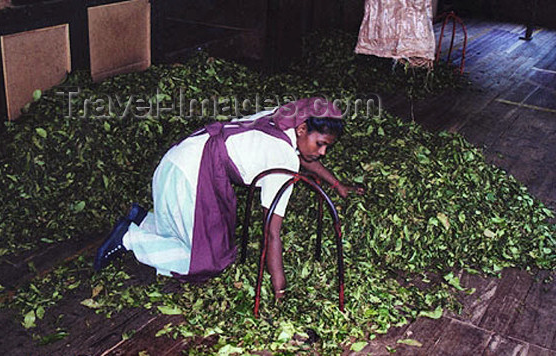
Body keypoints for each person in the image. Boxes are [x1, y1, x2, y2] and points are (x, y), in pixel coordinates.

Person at [94, 97, 363, 301]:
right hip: (190, 171)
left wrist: (337, 185)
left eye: (328, 146)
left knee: (215, 246)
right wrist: (280, 292)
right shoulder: (282, 158)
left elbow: (306, 156)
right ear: (303, 129)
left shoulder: (285, 118)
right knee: (204, 263)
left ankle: (141, 219)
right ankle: (129, 238)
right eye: (322, 144)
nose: (324, 152)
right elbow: (272, 233)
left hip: (188, 158)